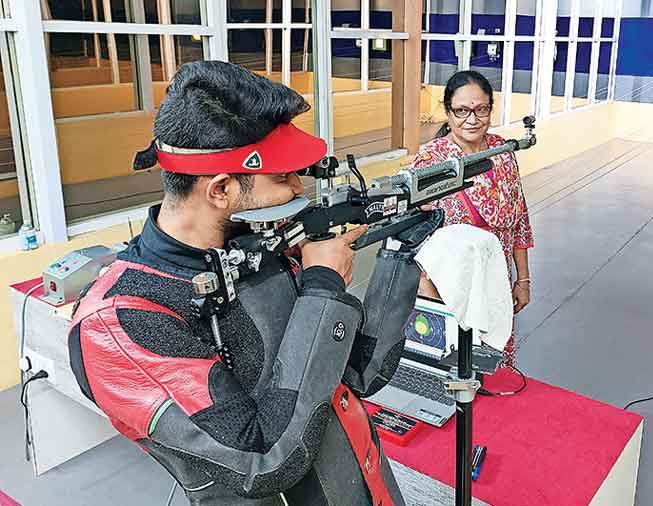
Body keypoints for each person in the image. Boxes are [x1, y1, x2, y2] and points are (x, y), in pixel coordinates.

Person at [67, 61, 426, 506]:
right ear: (220, 190)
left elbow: (356, 374)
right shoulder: (117, 325)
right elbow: (265, 460)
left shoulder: (259, 251)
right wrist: (321, 287)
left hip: (357, 481)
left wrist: (399, 255)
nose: (299, 188)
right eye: (282, 177)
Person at [413, 70, 534, 366]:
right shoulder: (432, 160)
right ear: (447, 111)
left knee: (493, 368)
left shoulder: (503, 153)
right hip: (449, 290)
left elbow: (520, 220)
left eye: (481, 109)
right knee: (454, 370)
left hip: (497, 284)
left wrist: (523, 280)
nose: (472, 119)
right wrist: (431, 301)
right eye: (462, 111)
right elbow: (415, 236)